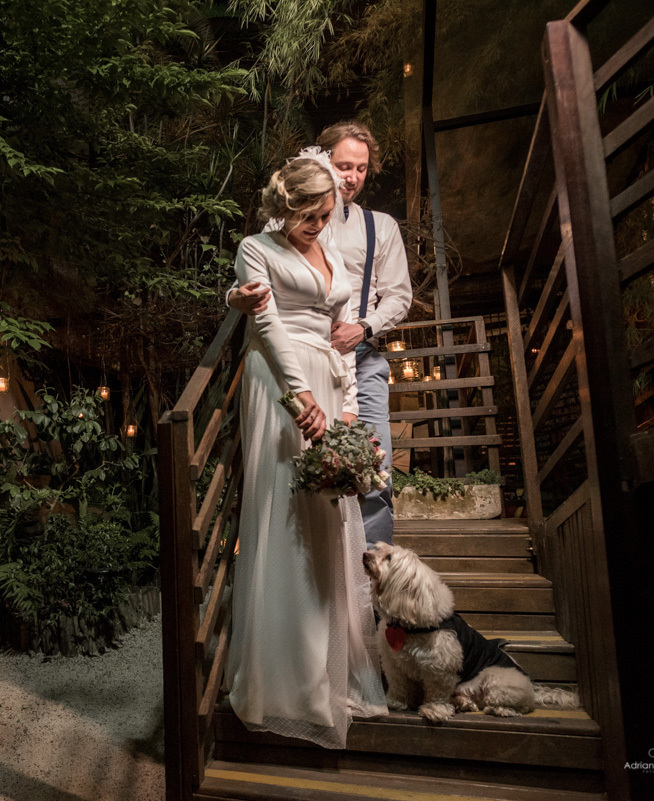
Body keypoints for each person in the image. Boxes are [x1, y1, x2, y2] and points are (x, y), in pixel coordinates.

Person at [225, 153, 388, 750]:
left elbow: (341, 328)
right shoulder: (255, 247)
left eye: (326, 216)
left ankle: (327, 669)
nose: (319, 225)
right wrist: (299, 398)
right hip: (279, 382)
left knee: (328, 516)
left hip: (327, 380)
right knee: (285, 514)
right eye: (309, 217)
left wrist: (345, 402)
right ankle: (281, 682)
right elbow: (264, 324)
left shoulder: (332, 249)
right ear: (285, 207)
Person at [228, 121, 411, 548]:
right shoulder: (301, 211)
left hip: (358, 356)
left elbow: (399, 297)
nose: (352, 176)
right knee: (305, 469)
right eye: (344, 165)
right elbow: (263, 263)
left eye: (362, 168)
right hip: (300, 357)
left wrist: (362, 328)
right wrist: (232, 296)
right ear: (322, 160)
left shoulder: (380, 227)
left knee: (371, 465)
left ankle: (373, 572)